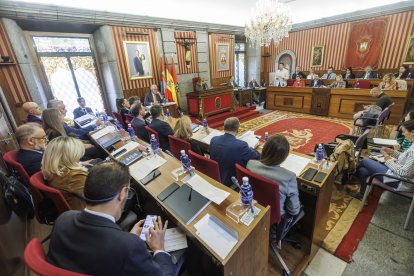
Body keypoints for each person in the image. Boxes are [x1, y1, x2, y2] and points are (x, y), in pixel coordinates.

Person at [46, 161, 175, 275]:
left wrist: (127, 240)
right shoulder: (129, 247)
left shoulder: (63, 219)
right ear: (123, 193)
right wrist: (159, 249)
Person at [352, 119, 414, 199]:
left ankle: (350, 178)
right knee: (363, 170)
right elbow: (405, 158)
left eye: (404, 131)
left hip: (401, 182)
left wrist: (388, 159)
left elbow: (403, 173)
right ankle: (362, 194)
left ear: (412, 132)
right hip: (398, 176)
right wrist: (392, 152)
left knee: (365, 161)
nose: (402, 134)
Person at [247, 135, 301, 217]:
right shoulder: (289, 177)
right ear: (284, 156)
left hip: (253, 206)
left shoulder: (250, 164)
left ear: (264, 149)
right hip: (275, 217)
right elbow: (293, 211)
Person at [41, 136, 90, 210]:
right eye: (78, 154)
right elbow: (98, 196)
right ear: (69, 156)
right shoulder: (75, 176)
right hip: (86, 212)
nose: (79, 157)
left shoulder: (54, 171)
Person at [210, 117, 260, 187]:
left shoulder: (213, 139)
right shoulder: (241, 145)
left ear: (224, 128)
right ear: (237, 130)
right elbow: (257, 157)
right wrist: (251, 148)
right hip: (231, 179)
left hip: (215, 175)